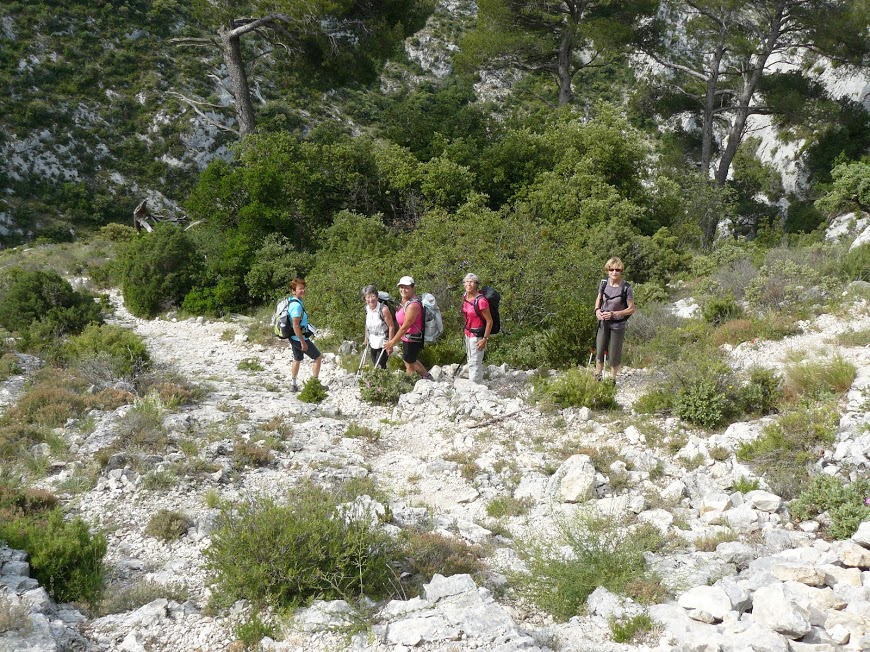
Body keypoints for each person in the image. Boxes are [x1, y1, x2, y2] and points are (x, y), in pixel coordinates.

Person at [594, 257, 635, 382]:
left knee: (614, 355)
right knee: (599, 351)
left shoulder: (626, 288)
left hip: (617, 325)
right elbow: (599, 298)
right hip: (603, 322)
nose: (614, 272)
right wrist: (597, 311)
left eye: (617, 270)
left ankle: (612, 380)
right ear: (607, 270)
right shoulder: (604, 284)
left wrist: (614, 314)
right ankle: (597, 377)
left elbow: (631, 309)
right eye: (611, 269)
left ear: (621, 271)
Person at [384, 276, 433, 380]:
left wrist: (392, 342)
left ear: (413, 288)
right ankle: (427, 377)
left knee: (409, 363)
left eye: (406, 287)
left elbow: (405, 327)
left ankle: (408, 384)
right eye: (401, 287)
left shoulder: (413, 305)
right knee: (410, 360)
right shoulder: (404, 301)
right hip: (407, 337)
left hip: (412, 338)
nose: (403, 290)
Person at [286, 277, 322, 392]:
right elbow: (296, 325)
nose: (303, 290)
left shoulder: (293, 301)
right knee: (318, 357)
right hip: (299, 338)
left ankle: (293, 384)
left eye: (304, 288)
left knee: (297, 358)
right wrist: (303, 342)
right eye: (300, 288)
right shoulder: (296, 306)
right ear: (294, 291)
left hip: (293, 337)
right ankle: (314, 385)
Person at [461, 273, 493, 384]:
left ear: (476, 284)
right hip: (468, 333)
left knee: (475, 363)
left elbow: (489, 321)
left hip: (478, 336)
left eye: (471, 282)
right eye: (466, 281)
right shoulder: (465, 296)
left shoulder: (481, 301)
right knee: (471, 361)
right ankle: (473, 385)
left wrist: (485, 339)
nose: (468, 284)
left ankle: (475, 388)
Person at [362, 284, 395, 369]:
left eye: (373, 296)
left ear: (377, 296)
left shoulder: (383, 309)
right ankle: (383, 381)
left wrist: (390, 344)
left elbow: (391, 326)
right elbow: (367, 324)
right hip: (372, 341)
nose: (370, 299)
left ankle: (382, 381)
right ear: (365, 298)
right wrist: (366, 338)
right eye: (368, 297)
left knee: (379, 367)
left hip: (383, 342)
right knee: (375, 365)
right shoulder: (367, 309)